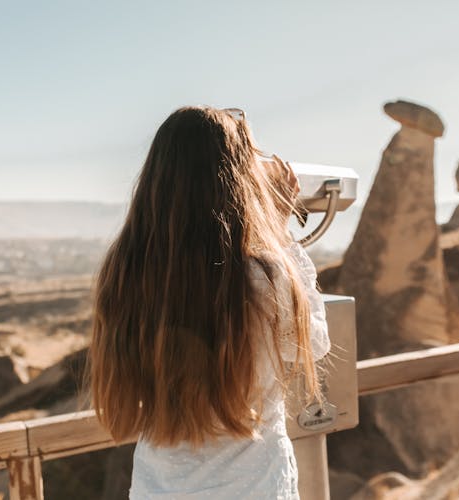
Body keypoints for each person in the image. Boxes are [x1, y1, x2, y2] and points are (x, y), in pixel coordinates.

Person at [88, 106, 330, 499]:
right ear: (238, 178)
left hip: (158, 489)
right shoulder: (260, 277)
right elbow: (313, 343)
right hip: (252, 487)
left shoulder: (126, 272)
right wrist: (280, 231)